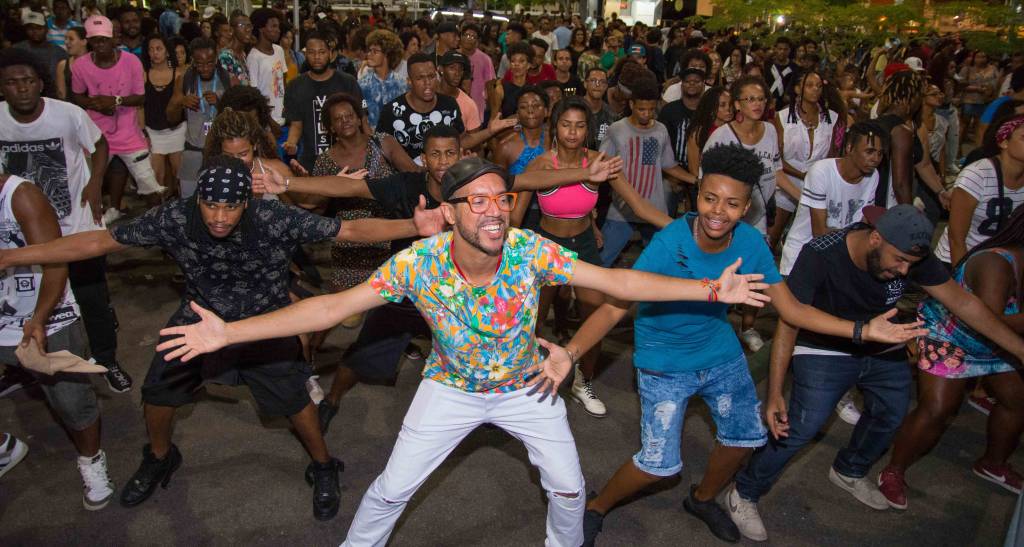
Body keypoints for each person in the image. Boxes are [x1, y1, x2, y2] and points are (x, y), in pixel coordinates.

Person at [155, 154, 770, 547]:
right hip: (450, 389)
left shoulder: (529, 250)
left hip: (527, 388)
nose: (494, 210)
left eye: (501, 198)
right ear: (449, 213)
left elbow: (619, 282)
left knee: (568, 490)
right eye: (477, 200)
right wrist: (230, 333)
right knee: (392, 490)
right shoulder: (418, 264)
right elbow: (329, 309)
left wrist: (711, 289)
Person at [0, 155, 444, 520]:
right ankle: (159, 457)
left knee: (295, 403)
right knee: (157, 395)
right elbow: (96, 243)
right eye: (210, 205)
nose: (218, 216)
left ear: (246, 203)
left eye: (230, 207)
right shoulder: (176, 216)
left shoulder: (272, 216)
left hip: (265, 324)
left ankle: (323, 465)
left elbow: (350, 230)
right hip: (197, 321)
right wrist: (10, 257)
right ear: (198, 200)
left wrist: (414, 227)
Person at [574, 145, 927, 545]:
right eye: (710, 198)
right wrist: (569, 354)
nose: (718, 211)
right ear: (697, 195)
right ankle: (596, 506)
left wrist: (862, 330)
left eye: (732, 203)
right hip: (664, 361)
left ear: (746, 208)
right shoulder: (669, 243)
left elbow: (792, 311)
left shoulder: (751, 245)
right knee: (658, 464)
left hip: (720, 354)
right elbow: (613, 307)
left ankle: (702, 499)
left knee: (745, 438)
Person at [254, 126, 626, 430]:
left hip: (462, 300)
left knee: (490, 353)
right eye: (435, 154)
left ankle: (496, 409)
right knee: (363, 352)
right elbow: (350, 187)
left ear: (462, 154)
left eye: (451, 153)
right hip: (411, 292)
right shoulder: (406, 185)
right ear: (424, 158)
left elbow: (528, 180)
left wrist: (586, 174)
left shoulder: (478, 183)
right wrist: (287, 185)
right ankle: (333, 400)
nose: (443, 161)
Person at [728, 205, 1024, 542]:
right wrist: (775, 392)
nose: (904, 271)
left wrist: (1019, 349)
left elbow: (966, 304)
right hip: (823, 344)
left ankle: (849, 469)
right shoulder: (821, 254)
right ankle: (745, 490)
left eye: (911, 264)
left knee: (891, 413)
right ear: (875, 239)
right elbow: (789, 320)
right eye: (899, 260)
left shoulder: (910, 255)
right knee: (801, 425)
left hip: (880, 340)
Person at [516, 96, 681, 417]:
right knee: (532, 322)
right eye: (566, 125)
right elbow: (515, 216)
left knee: (594, 316)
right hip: (547, 246)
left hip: (584, 245)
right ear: (555, 127)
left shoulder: (600, 162)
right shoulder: (540, 165)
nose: (572, 132)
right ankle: (523, 383)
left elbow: (639, 205)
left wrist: (684, 229)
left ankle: (582, 381)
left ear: (588, 130)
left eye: (580, 126)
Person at [0, 48, 134, 394]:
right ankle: (20, 366)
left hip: (75, 227)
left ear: (40, 82)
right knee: (19, 304)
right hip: (24, 238)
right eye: (12, 82)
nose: (22, 88)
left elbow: (100, 145)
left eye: (29, 80)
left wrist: (95, 183)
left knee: (92, 299)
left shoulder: (67, 114)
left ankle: (107, 360)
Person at [880, 204, 1024, 509]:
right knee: (938, 409)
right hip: (951, 334)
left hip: (997, 342)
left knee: (1017, 400)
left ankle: (993, 463)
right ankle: (894, 470)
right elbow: (988, 322)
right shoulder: (996, 263)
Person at [0, 172, 115, 510]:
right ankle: (5, 447)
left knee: (71, 402)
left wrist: (39, 318)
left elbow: (55, 264)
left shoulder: (21, 197)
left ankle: (92, 459)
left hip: (43, 318)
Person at [312, 92, 417, 327]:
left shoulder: (383, 143)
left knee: (396, 313)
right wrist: (330, 187)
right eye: (338, 119)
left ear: (359, 118)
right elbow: (317, 209)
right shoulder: (325, 162)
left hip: (390, 242)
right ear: (331, 128)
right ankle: (311, 348)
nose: (345, 121)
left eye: (349, 115)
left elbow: (413, 177)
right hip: (351, 247)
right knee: (341, 316)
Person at [72, 15, 165, 225]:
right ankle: (92, 223)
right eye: (95, 40)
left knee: (149, 184)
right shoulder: (80, 66)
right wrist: (95, 104)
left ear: (114, 38)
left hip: (128, 134)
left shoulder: (131, 61)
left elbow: (140, 97)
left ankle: (159, 224)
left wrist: (115, 100)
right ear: (89, 41)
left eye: (104, 39)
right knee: (89, 183)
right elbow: (77, 96)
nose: (100, 44)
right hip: (96, 136)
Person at [598, 78, 697, 267]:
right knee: (602, 260)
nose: (647, 114)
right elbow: (602, 164)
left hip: (654, 208)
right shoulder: (617, 130)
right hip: (622, 208)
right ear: (631, 104)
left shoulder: (660, 130)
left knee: (664, 263)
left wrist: (695, 180)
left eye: (651, 109)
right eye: (641, 109)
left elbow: (668, 165)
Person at [779, 122, 884, 276]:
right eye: (869, 151)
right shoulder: (821, 172)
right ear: (849, 147)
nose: (875, 159)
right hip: (802, 258)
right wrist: (854, 237)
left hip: (838, 259)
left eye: (880, 153)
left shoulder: (873, 176)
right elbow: (820, 233)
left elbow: (863, 223)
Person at [378, 54, 508, 161]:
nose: (427, 83)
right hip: (405, 180)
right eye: (420, 78)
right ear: (409, 81)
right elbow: (380, 151)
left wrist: (489, 131)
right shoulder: (392, 111)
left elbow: (461, 141)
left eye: (431, 76)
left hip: (444, 178)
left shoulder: (449, 104)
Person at [936, 115, 1024, 266]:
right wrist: (961, 275)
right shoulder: (977, 175)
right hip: (958, 258)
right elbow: (956, 238)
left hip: (1000, 261)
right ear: (1004, 142)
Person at [769, 69, 840, 249]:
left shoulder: (831, 118)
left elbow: (832, 155)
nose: (815, 89)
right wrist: (802, 175)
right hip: (787, 182)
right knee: (771, 237)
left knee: (812, 239)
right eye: (809, 85)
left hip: (818, 184)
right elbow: (777, 158)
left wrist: (818, 177)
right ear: (797, 89)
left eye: (818, 86)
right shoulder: (783, 117)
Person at [282, 31, 364, 174]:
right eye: (311, 52)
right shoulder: (295, 86)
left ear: (330, 54)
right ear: (305, 55)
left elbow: (362, 120)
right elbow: (296, 125)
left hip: (348, 161)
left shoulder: (347, 82)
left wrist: (370, 150)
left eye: (322, 52)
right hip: (310, 163)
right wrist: (291, 144)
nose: (317, 57)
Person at [167, 37, 234, 198]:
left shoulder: (229, 80)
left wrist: (220, 104)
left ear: (216, 59)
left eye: (210, 63)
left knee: (219, 201)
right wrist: (181, 102)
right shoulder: (184, 80)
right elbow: (170, 118)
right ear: (193, 60)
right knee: (188, 202)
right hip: (193, 153)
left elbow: (238, 118)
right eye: (200, 64)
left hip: (221, 153)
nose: (205, 68)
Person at [142, 35, 186, 197]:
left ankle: (182, 206)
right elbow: (139, 107)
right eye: (151, 49)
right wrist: (142, 131)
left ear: (167, 52)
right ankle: (159, 209)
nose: (155, 53)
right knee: (156, 177)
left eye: (159, 49)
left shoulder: (179, 74)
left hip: (177, 130)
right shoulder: (143, 74)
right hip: (152, 131)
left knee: (179, 173)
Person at [660, 67, 706, 177]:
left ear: (704, 86)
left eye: (696, 81)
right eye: (687, 81)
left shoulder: (710, 111)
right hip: (672, 170)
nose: (692, 84)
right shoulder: (669, 110)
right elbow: (661, 144)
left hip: (703, 171)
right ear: (681, 86)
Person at [358, 29, 407, 129]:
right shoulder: (361, 85)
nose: (369, 54)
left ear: (387, 54)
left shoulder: (402, 84)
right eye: (369, 50)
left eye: (375, 51)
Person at [684, 86, 733, 183]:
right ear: (711, 108)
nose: (729, 109)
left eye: (731, 104)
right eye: (722, 105)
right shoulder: (698, 132)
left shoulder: (737, 128)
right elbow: (694, 170)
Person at [246, 8, 287, 127]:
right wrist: (268, 120)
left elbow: (283, 80)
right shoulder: (254, 57)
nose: (278, 30)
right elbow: (254, 94)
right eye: (273, 26)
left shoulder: (279, 50)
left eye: (278, 26)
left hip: (282, 117)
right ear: (261, 28)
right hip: (266, 121)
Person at [14, 11, 67, 83]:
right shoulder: (16, 50)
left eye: (39, 28)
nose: (34, 31)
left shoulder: (59, 52)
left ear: (46, 29)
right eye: (30, 28)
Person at [437, 51, 481, 132]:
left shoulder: (469, 104)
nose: (457, 73)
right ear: (441, 69)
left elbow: (474, 137)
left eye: (460, 69)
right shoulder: (428, 96)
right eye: (452, 68)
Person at [458, 23, 494, 117]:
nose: (469, 38)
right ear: (461, 37)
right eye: (467, 35)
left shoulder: (485, 59)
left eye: (473, 37)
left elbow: (490, 85)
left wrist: (492, 108)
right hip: (455, 104)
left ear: (478, 41)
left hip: (477, 106)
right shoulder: (453, 56)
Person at [54, 26, 86, 100]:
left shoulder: (95, 62)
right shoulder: (62, 65)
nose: (66, 42)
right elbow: (61, 95)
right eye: (65, 39)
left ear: (84, 42)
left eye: (71, 39)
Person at [218, 12, 250, 86]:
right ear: (232, 30)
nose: (248, 29)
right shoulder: (225, 56)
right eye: (242, 25)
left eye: (249, 26)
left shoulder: (242, 54)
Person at [765, 37, 796, 111]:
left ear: (789, 50)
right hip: (767, 104)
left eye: (785, 49)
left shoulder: (794, 67)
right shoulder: (767, 65)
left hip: (786, 107)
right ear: (775, 49)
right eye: (780, 49)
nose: (782, 52)